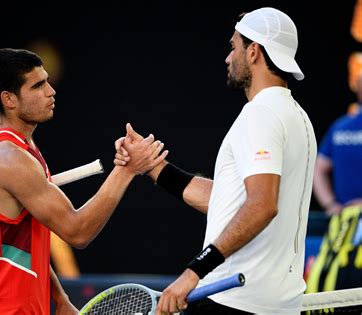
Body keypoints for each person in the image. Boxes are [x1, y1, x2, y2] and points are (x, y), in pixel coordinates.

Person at [115, 7, 316, 314]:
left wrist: (194, 272)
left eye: (233, 47)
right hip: (274, 304)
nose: (227, 57)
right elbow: (231, 202)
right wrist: (153, 167)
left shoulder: (261, 114)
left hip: (235, 301)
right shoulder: (296, 117)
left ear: (253, 52)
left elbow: (261, 205)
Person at [0, 48, 168, 314]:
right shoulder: (9, 158)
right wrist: (126, 171)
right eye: (37, 86)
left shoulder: (24, 148)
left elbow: (21, 246)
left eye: (47, 80)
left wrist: (59, 299)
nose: (51, 91)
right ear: (9, 99)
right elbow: (77, 231)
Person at [313, 74, 362, 216]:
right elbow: (319, 169)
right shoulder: (340, 127)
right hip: (345, 217)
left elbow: (318, 169)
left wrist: (330, 205)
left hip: (345, 218)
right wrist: (330, 205)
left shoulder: (340, 127)